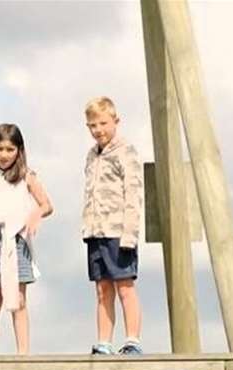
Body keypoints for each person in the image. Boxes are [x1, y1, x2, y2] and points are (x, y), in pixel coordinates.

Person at [0, 123, 53, 355]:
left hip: (15, 239)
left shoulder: (27, 176)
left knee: (18, 298)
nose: (4, 155)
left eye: (10, 150)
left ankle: (23, 355)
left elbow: (46, 204)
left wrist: (36, 214)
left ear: (19, 151)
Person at [82, 97, 144, 355]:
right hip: (96, 230)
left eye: (104, 123)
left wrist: (130, 233)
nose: (99, 130)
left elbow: (133, 192)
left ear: (115, 121)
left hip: (119, 230)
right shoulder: (91, 155)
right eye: (93, 125)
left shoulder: (126, 151)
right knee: (102, 288)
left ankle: (132, 340)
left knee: (125, 286)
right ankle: (104, 342)